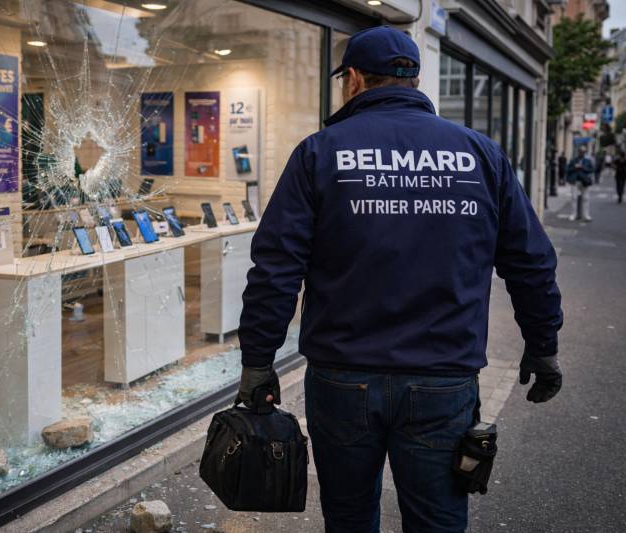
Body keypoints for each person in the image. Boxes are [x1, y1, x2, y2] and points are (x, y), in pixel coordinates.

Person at [236, 27, 563, 533]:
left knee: (348, 517)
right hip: (441, 377)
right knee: (437, 522)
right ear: (414, 80)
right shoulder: (478, 154)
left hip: (343, 377)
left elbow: (276, 267)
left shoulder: (321, 153)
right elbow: (530, 261)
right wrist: (543, 344)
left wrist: (258, 359)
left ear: (354, 80)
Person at [565, 146, 594, 221]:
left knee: (586, 198)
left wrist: (582, 167)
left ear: (584, 153)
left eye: (583, 152)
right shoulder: (573, 160)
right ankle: (573, 214)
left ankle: (586, 215)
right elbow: (567, 169)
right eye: (580, 151)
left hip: (585, 181)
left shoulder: (587, 161)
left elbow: (592, 170)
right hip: (575, 181)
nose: (581, 153)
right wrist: (575, 167)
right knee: (574, 198)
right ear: (578, 152)